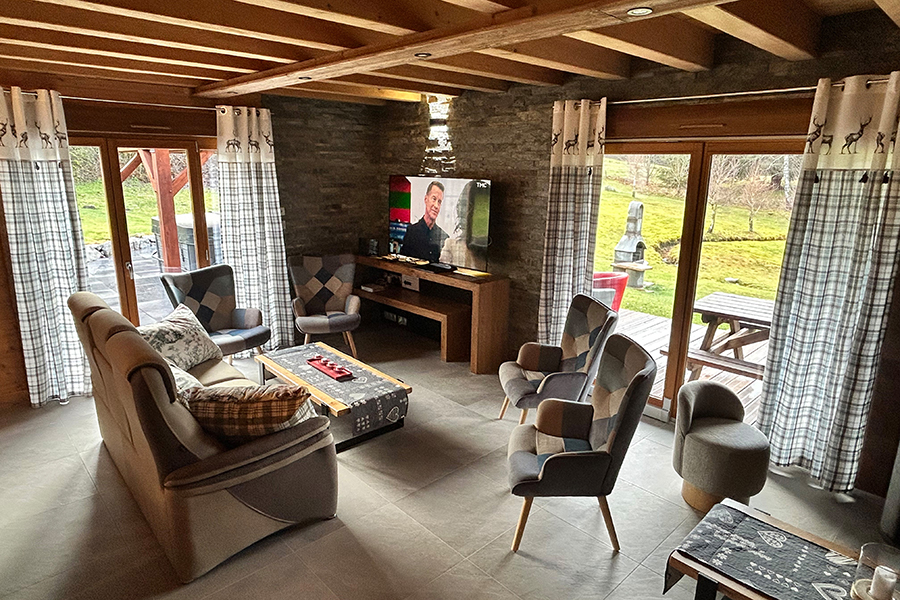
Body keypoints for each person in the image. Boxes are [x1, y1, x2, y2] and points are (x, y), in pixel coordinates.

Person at [401, 181, 448, 262]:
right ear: (426, 199)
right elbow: (402, 262)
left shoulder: (444, 237)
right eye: (434, 199)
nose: (436, 206)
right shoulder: (412, 232)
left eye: (439, 202)